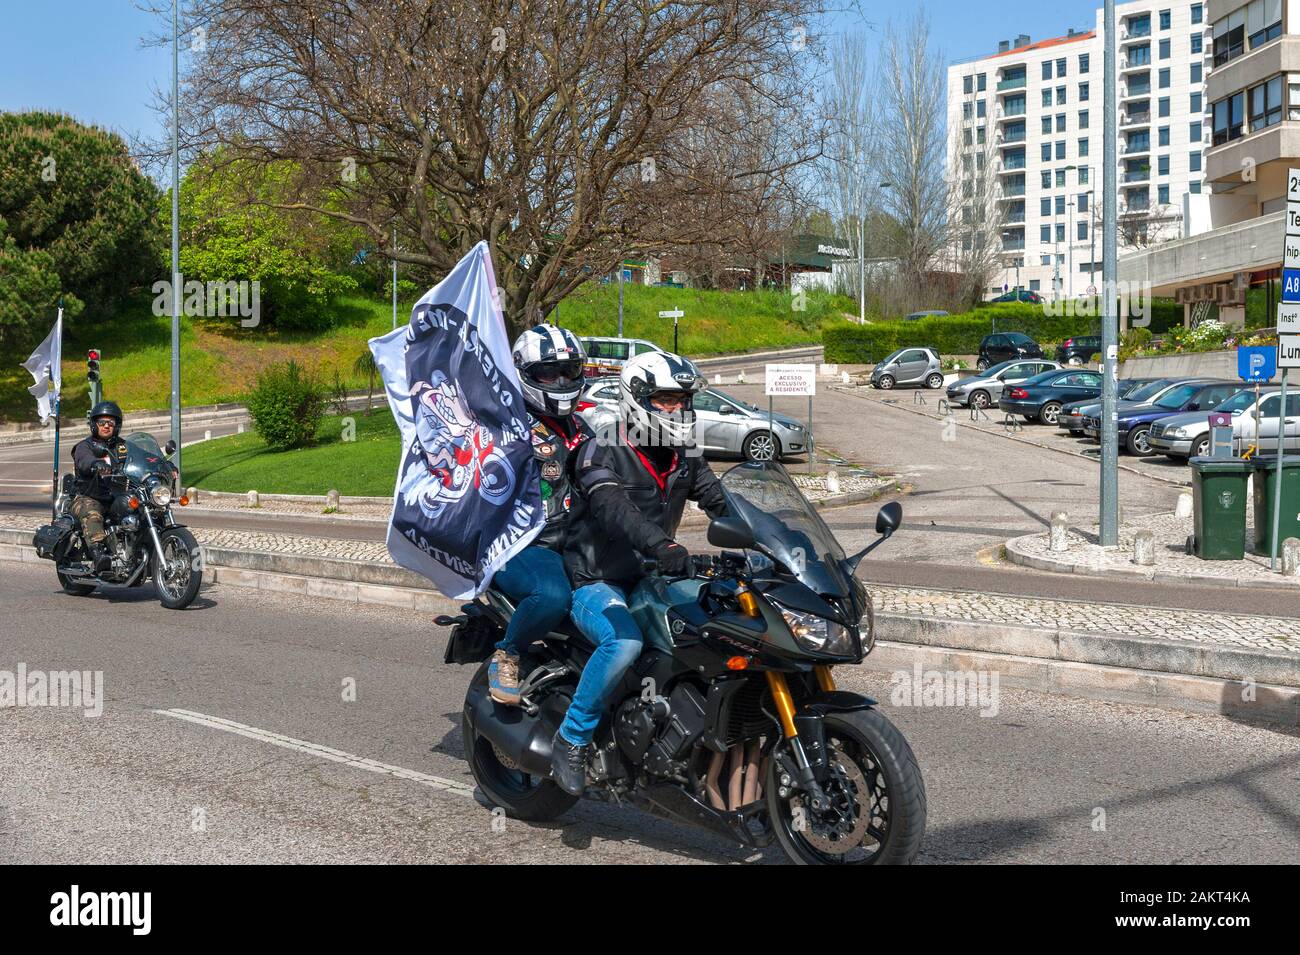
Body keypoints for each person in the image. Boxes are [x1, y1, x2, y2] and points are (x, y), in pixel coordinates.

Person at [551, 351, 728, 794]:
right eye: (666, 400)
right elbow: (614, 509)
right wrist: (660, 544)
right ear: (637, 398)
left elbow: (721, 501)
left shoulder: (684, 453)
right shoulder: (603, 448)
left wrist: (771, 538)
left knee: (713, 630)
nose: (677, 410)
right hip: (596, 578)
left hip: (653, 578)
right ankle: (571, 738)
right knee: (624, 641)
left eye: (682, 400)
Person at [486, 324, 593, 705]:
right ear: (525, 374)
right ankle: (507, 653)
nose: (561, 380)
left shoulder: (583, 429)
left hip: (580, 544)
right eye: (549, 372)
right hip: (524, 545)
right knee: (551, 596)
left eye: (569, 371)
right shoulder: (504, 429)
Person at [70, 401, 125, 572]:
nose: (106, 426)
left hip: (117, 496)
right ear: (94, 425)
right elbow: (83, 460)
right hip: (89, 496)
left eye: (111, 423)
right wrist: (95, 463)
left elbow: (142, 457)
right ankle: (99, 554)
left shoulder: (122, 446)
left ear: (116, 426)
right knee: (92, 513)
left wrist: (164, 466)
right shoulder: (84, 446)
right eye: (102, 422)